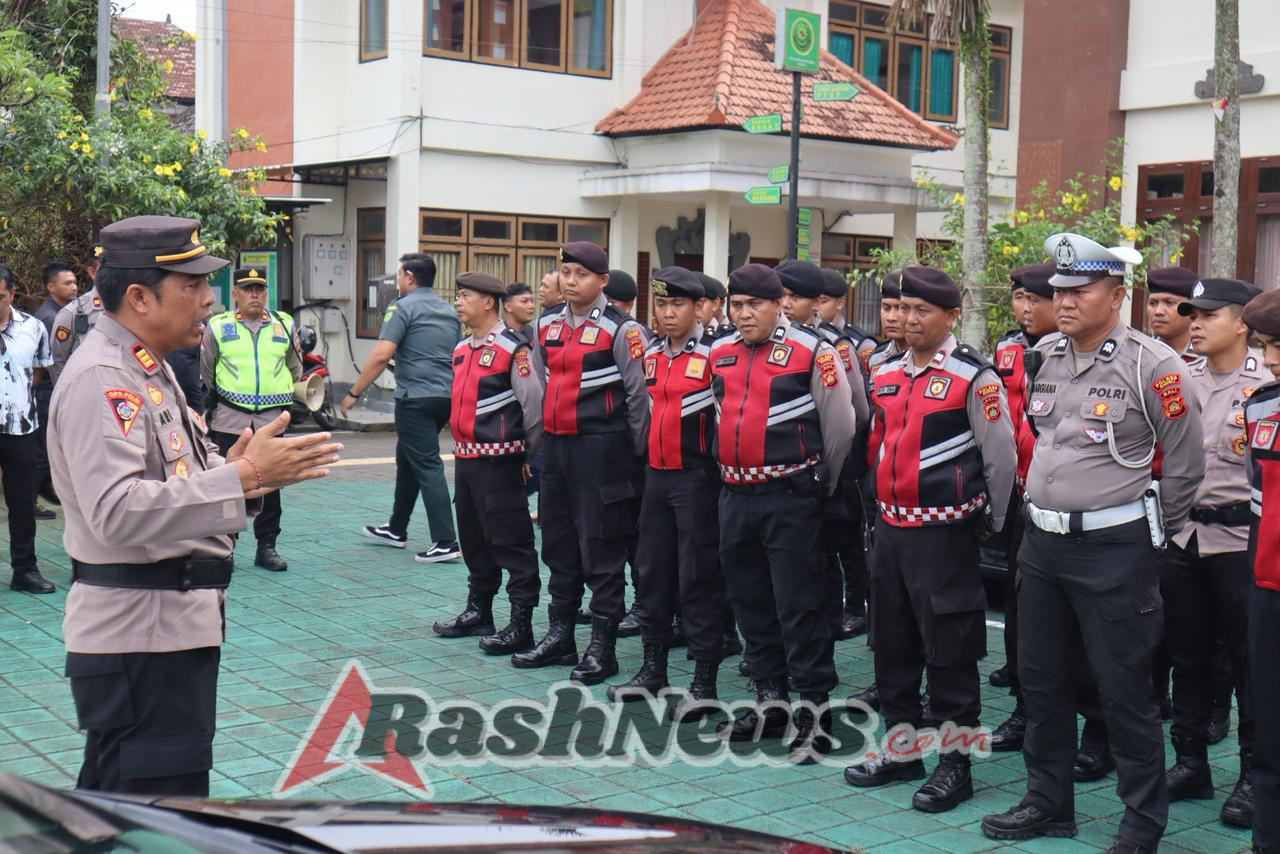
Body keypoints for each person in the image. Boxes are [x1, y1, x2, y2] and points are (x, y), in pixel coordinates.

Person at [49, 215, 340, 796]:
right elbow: (117, 511)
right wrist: (241, 476)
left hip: (165, 628)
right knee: (159, 811)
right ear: (139, 296)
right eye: (194, 287)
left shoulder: (144, 365)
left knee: (120, 807)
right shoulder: (105, 377)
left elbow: (179, 474)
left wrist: (239, 472)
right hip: (140, 635)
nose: (211, 300)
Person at [982, 233, 1205, 852]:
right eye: (1060, 291)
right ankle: (1048, 803)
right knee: (1042, 682)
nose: (1065, 302)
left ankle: (1142, 823)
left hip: (1116, 549)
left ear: (1117, 294)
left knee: (1124, 688)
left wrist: (1159, 531)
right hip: (1043, 547)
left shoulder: (1150, 363)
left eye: (1080, 291)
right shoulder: (1045, 354)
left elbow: (1185, 461)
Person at [845, 266, 1016, 812]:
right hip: (891, 530)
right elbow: (878, 442)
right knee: (892, 645)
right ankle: (902, 752)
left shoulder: (975, 376)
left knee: (950, 650)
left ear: (951, 316)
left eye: (923, 311)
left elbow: (1001, 459)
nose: (910, 320)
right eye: (903, 308)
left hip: (945, 534)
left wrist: (989, 523)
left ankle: (955, 764)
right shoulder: (886, 369)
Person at [709, 263, 856, 764]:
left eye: (755, 305)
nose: (744, 314)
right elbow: (718, 412)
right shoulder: (720, 352)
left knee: (801, 606)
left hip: (791, 497)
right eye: (737, 304)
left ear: (779, 305)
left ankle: (815, 715)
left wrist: (820, 485)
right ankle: (769, 702)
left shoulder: (814, 351)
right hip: (735, 496)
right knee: (750, 601)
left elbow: (840, 426)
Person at [512, 242, 649, 684]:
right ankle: (560, 635)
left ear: (603, 281)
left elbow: (639, 399)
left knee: (602, 549)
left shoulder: (622, 330)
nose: (571, 281)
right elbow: (541, 384)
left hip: (604, 451)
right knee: (558, 544)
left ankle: (602, 648)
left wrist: (630, 456)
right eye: (565, 272)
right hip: (557, 450)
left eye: (582, 274)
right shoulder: (546, 325)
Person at [1160, 277, 1261, 828]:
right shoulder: (1180, 379)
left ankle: (1252, 776)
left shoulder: (1266, 382)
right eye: (1190, 314)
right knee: (1187, 654)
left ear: (1241, 321)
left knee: (1248, 663)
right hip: (1184, 537)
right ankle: (1190, 763)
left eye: (1207, 314)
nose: (1193, 323)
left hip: (1241, 541)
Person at [606, 267, 727, 718]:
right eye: (662, 304)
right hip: (656, 479)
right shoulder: (653, 354)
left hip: (699, 480)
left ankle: (704, 683)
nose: (668, 313)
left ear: (699, 308)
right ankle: (653, 671)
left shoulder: (718, 353)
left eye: (678, 304)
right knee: (652, 574)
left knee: (697, 579)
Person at [433, 272, 544, 655]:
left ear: (487, 303)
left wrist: (524, 456)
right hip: (466, 462)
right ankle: (479, 611)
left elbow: (534, 411)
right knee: (474, 539)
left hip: (501, 462)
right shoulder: (462, 348)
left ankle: (521, 623)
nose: (458, 302)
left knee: (512, 542)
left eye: (464, 296)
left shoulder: (515, 350)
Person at [346, 252, 462, 563]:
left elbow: (382, 356)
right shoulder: (448, 311)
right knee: (408, 458)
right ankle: (397, 528)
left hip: (415, 399)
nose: (397, 280)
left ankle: (446, 541)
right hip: (445, 397)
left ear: (410, 277)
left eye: (399, 275)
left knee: (427, 464)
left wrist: (354, 393)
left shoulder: (402, 307)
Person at [987, 262, 1058, 752]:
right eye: (1020, 298)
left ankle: (1088, 721)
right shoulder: (1008, 349)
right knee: (1018, 599)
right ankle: (1022, 701)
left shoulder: (1084, 352)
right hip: (1019, 492)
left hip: (1068, 496)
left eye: (1037, 298)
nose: (1027, 307)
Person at [200, 266, 303, 572]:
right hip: (230, 418)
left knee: (270, 485)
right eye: (248, 289)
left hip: (271, 420)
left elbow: (295, 368)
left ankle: (267, 547)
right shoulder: (218, 326)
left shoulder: (284, 325)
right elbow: (206, 370)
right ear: (236, 294)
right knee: (227, 481)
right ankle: (223, 546)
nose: (255, 295)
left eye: (260, 289)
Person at [1239, 289, 1280, 854]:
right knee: (1271, 730)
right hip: (1269, 589)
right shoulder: (1263, 407)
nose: (1270, 359)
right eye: (1267, 346)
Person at [818, 266, 875, 639]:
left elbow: (863, 403)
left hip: (853, 454)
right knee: (825, 539)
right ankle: (831, 606)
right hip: (818, 457)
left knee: (850, 538)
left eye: (823, 301)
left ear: (839, 303)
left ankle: (856, 606)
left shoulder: (855, 344)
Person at [0, 264, 55, 593]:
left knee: (22, 505)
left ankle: (25, 570)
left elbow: (38, 373)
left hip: (22, 430)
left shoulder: (33, 328)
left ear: (12, 294)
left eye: (0, 297)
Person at [33, 260, 79, 514]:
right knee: (42, 450)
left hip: (53, 390)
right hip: (49, 391)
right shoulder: (51, 317)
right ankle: (32, 499)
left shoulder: (63, 312)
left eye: (74, 282)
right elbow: (54, 362)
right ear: (51, 287)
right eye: (67, 283)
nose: (74, 287)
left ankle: (44, 489)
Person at [1146, 266, 1200, 363]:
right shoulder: (1140, 353)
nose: (1158, 311)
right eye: (1153, 303)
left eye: (1169, 303)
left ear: (1191, 308)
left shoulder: (1208, 356)